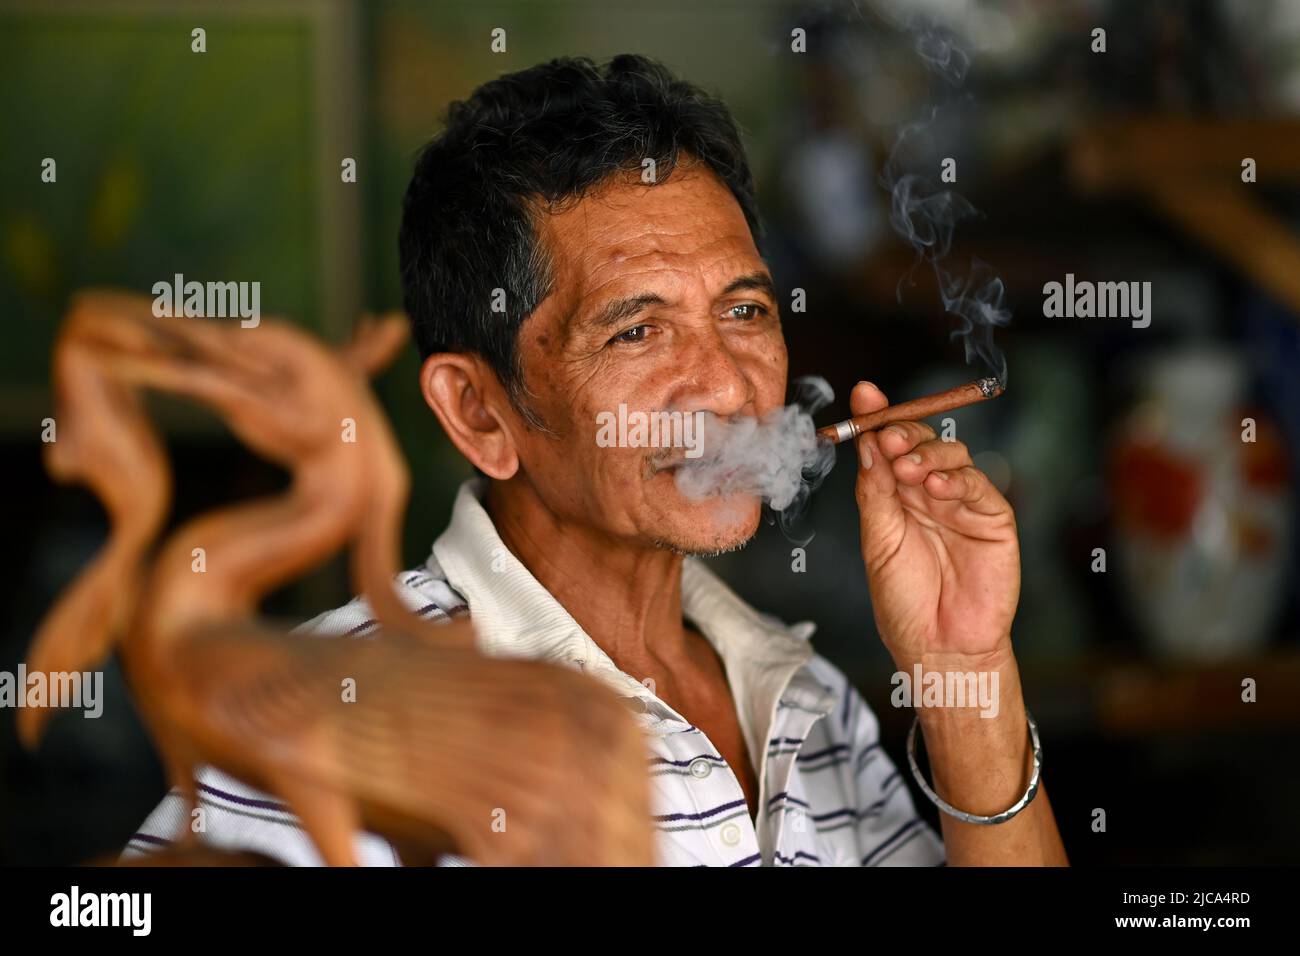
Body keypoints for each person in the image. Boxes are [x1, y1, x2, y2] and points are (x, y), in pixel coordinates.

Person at [126, 54, 1066, 867]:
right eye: (638, 331)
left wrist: (964, 669)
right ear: (479, 412)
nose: (730, 388)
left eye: (745, 312)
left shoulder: (804, 700)